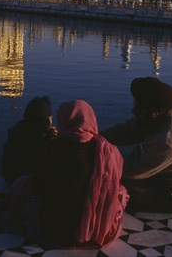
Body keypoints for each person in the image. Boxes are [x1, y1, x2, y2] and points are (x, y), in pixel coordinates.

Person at [100, 77, 172, 213]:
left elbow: (131, 172)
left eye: (138, 106)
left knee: (108, 182)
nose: (133, 110)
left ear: (153, 112)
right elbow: (127, 130)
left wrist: (100, 166)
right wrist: (94, 137)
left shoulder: (168, 141)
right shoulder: (164, 115)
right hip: (167, 180)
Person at [30, 100, 129, 248]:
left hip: (55, 229)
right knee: (120, 191)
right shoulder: (107, 149)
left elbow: (38, 184)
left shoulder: (53, 147)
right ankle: (95, 223)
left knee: (24, 188)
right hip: (98, 232)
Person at [2, 96, 57, 186]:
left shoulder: (20, 130)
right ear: (43, 120)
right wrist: (49, 141)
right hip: (21, 182)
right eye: (50, 118)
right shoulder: (31, 137)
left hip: (12, 178)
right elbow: (33, 162)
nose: (51, 122)